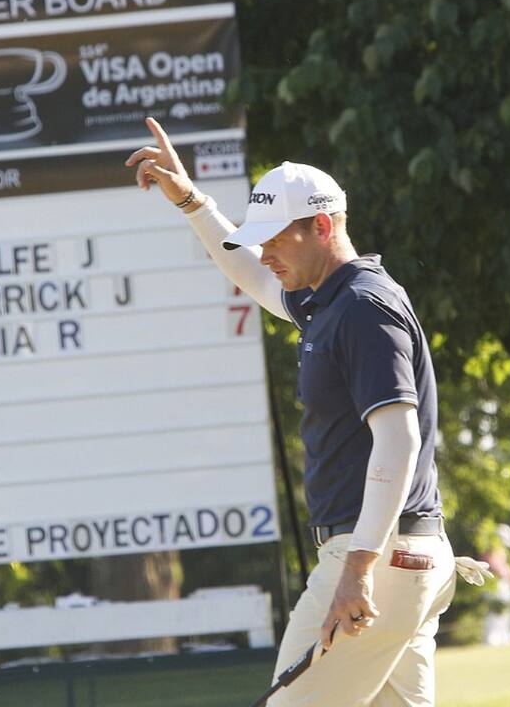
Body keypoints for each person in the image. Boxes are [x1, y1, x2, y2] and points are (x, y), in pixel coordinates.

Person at [128, 117, 458, 705]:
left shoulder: (360, 307)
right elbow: (251, 275)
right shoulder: (333, 301)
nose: (265, 251)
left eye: (277, 238)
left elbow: (399, 441)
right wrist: (192, 202)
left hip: (373, 559)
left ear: (322, 226)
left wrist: (357, 569)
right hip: (403, 557)